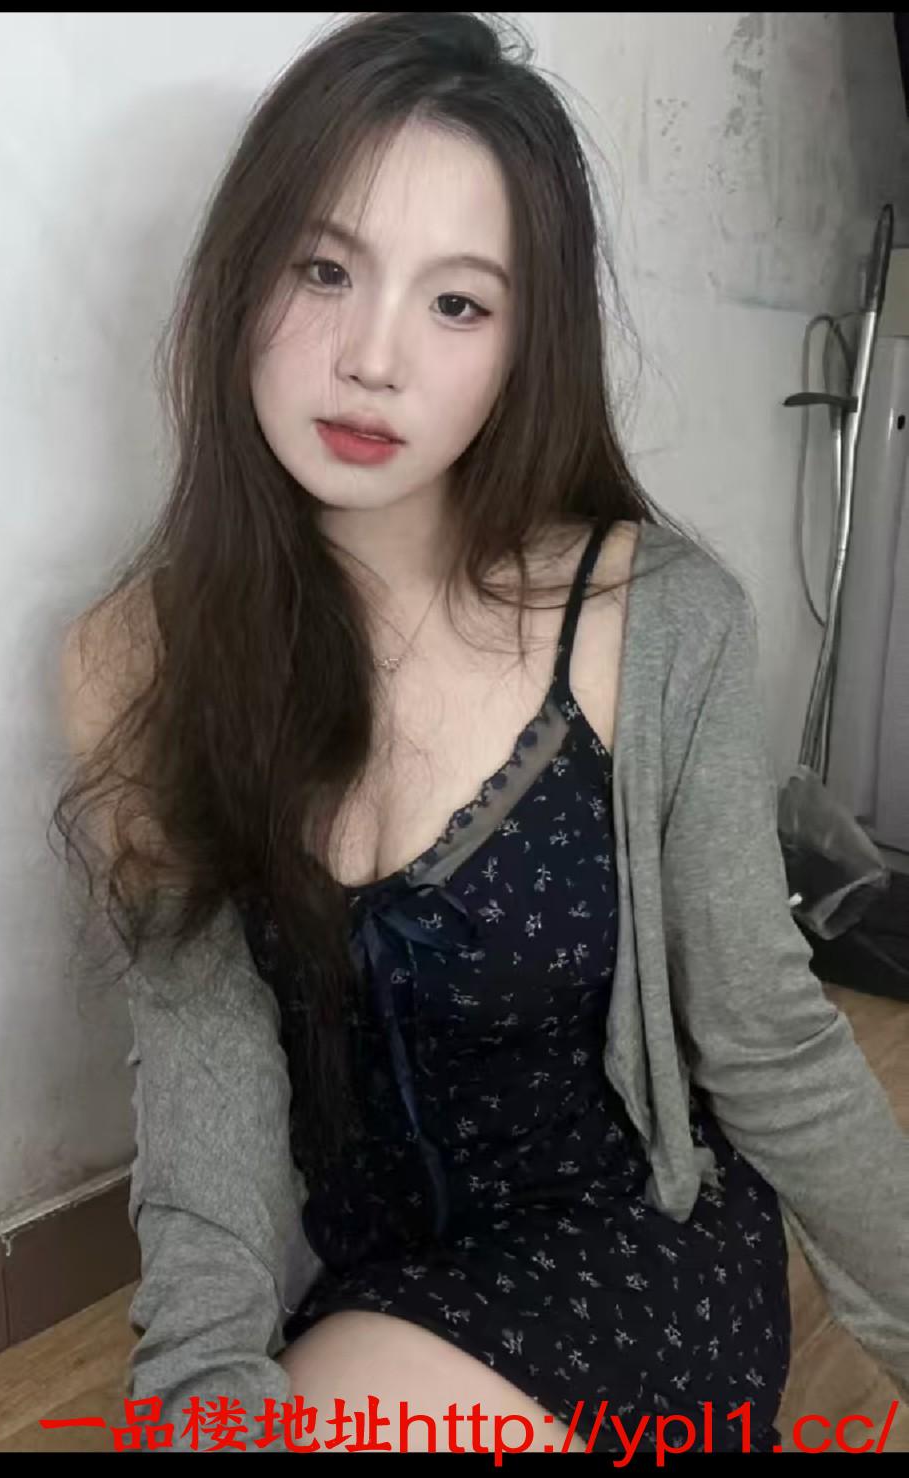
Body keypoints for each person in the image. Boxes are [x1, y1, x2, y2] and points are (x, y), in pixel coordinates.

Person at [55, 12, 909, 1457]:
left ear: (526, 344)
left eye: (458, 303)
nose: (372, 358)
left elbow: (768, 1044)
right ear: (241, 274)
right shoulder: (134, 660)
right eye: (324, 269)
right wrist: (200, 1396)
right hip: (367, 1290)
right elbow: (203, 1086)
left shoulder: (656, 618)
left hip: (635, 1258)